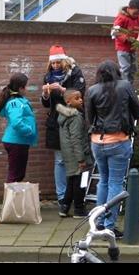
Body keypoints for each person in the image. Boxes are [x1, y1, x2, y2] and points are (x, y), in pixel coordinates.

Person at [84, 60, 139, 238]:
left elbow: (90, 118)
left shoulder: (92, 90)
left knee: (103, 181)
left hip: (97, 142)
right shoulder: (125, 86)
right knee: (116, 183)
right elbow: (138, 112)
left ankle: (99, 223)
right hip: (118, 140)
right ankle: (110, 226)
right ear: (117, 72)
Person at [41, 45, 86, 205]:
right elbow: (47, 105)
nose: (55, 66)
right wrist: (45, 94)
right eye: (53, 63)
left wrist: (61, 90)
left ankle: (77, 198)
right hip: (56, 122)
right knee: (60, 160)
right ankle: (62, 198)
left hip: (73, 120)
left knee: (78, 158)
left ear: (65, 61)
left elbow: (80, 94)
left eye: (58, 63)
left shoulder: (75, 73)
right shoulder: (48, 77)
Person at [56, 89, 93, 219]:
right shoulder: (76, 117)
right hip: (78, 155)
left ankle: (65, 207)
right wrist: (81, 159)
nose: (81, 100)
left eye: (81, 97)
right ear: (68, 102)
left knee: (72, 181)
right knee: (81, 182)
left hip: (68, 153)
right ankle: (79, 208)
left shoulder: (64, 115)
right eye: (77, 98)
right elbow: (76, 139)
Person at [0, 72, 38, 183]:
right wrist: (28, 130)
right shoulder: (15, 103)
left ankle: (15, 199)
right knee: (15, 175)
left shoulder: (17, 101)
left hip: (19, 142)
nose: (27, 88)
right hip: (17, 142)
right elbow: (16, 122)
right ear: (21, 88)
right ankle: (11, 200)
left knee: (18, 174)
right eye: (26, 86)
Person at [112, 0, 139, 84]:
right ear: (129, 8)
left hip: (133, 47)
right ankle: (123, 86)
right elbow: (115, 31)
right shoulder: (121, 18)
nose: (136, 15)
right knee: (125, 68)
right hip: (123, 48)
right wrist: (127, 38)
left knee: (133, 69)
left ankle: (129, 86)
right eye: (135, 13)